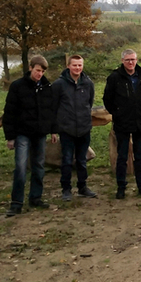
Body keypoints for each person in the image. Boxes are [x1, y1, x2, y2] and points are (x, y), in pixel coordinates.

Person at [3, 55, 58, 217]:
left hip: (40, 133)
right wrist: (10, 137)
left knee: (39, 167)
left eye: (42, 71)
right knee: (20, 167)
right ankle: (16, 203)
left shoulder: (47, 87)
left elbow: (51, 111)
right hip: (22, 134)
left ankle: (35, 197)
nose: (39, 74)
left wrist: (53, 130)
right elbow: (9, 112)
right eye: (37, 70)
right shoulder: (17, 87)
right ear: (30, 68)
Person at [103, 49, 141, 199]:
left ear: (136, 60)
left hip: (140, 122)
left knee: (140, 156)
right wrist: (117, 113)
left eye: (133, 59)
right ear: (122, 61)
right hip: (123, 122)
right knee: (122, 156)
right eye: (127, 60)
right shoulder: (115, 78)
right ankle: (121, 186)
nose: (130, 62)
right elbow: (108, 99)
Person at [53, 55, 97, 202]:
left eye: (80, 65)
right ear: (68, 66)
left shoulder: (88, 83)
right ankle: (66, 189)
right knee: (66, 160)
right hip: (67, 128)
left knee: (82, 160)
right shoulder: (59, 84)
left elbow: (89, 103)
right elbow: (54, 106)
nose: (77, 68)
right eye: (74, 65)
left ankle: (82, 187)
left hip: (84, 127)